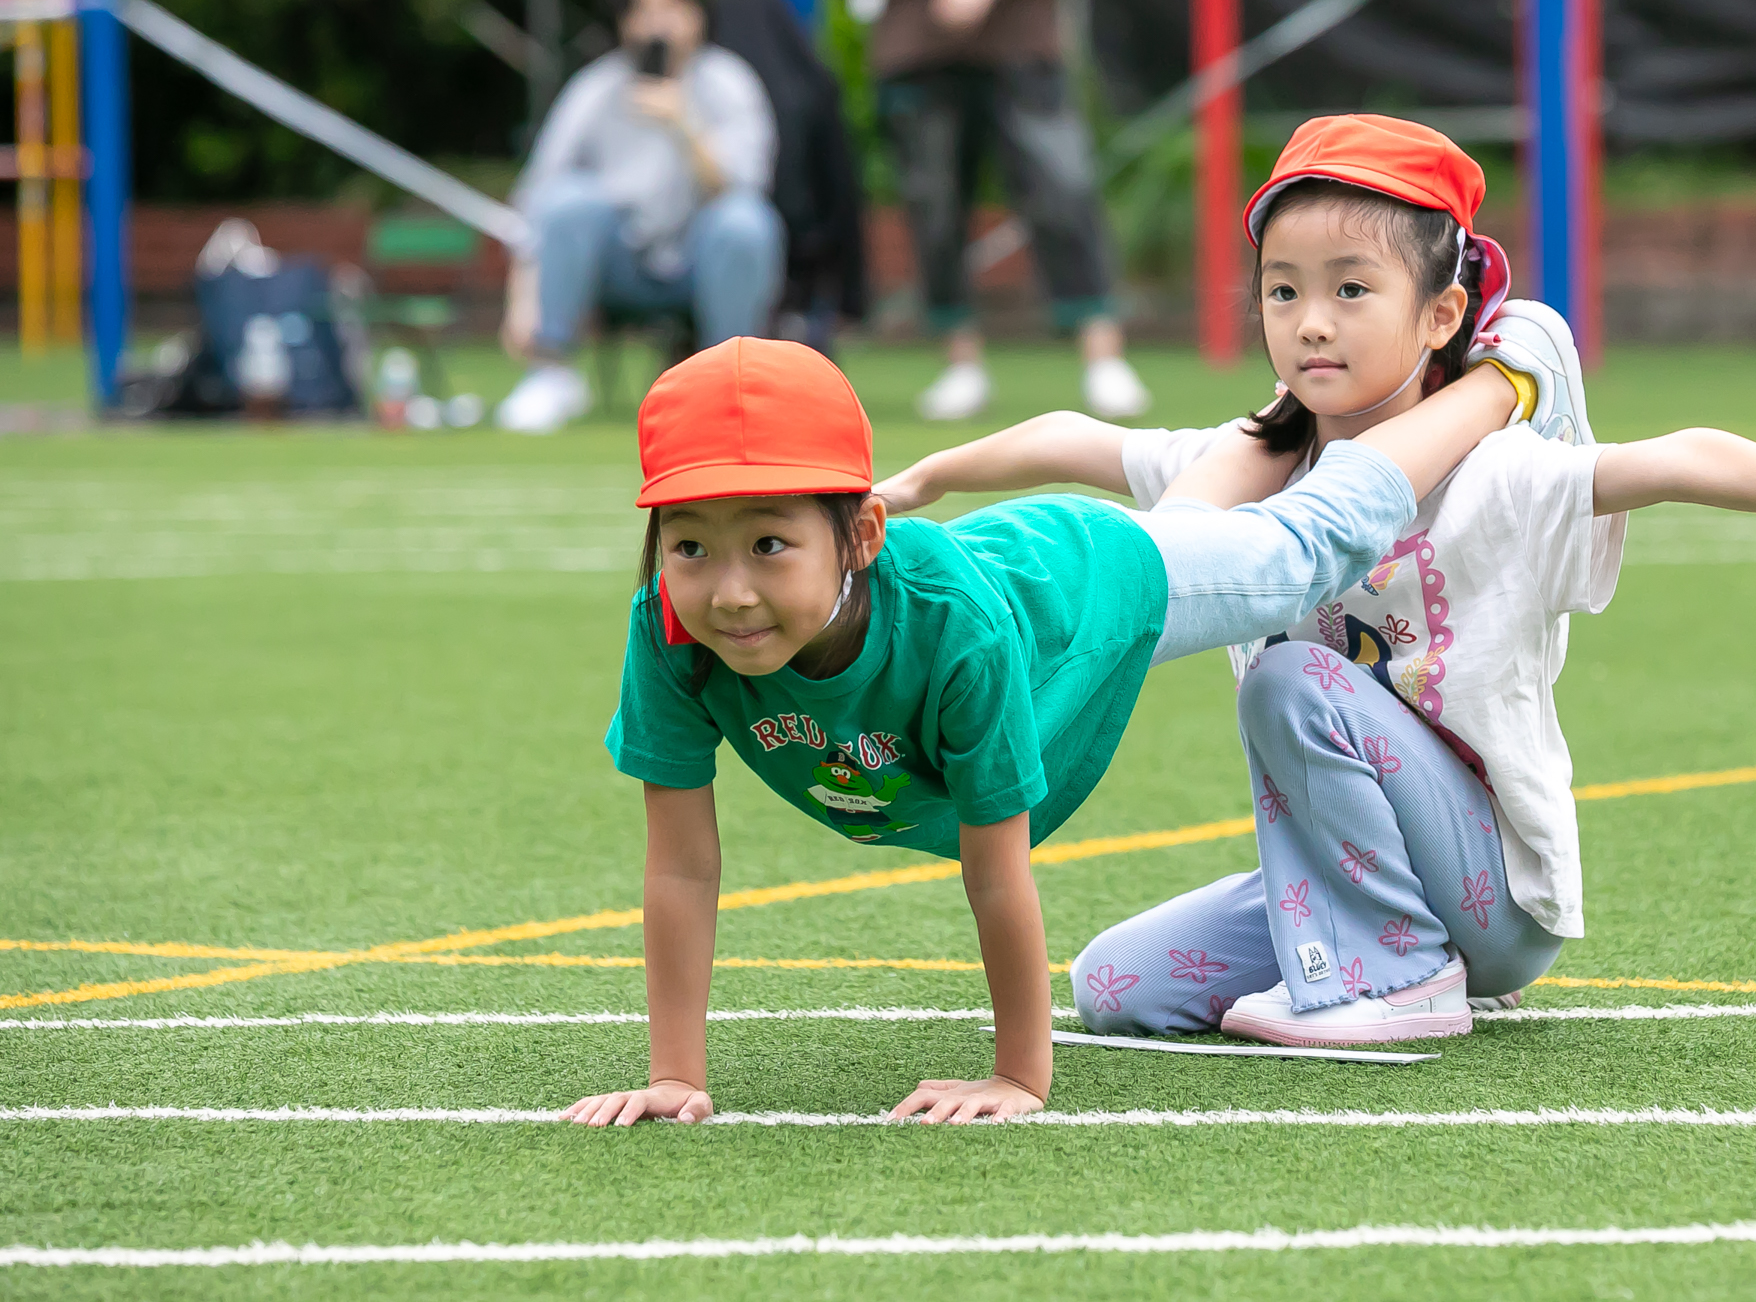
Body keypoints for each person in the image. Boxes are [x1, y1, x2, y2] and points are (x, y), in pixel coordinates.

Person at [876, 114, 1756, 1046]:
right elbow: (1079, 437)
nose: (1310, 324)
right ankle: (1374, 952)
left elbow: (1681, 458)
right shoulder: (1257, 466)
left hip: (1494, 892)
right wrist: (927, 475)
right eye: (1283, 291)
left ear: (1441, 315)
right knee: (1116, 983)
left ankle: (1403, 980)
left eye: (1349, 290)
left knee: (1287, 681)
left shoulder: (1497, 470)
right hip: (1388, 874)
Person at [563, 327, 1533, 1129]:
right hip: (1015, 584)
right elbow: (683, 866)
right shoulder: (671, 629)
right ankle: (1258, 443)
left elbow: (995, 869)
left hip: (1098, 581)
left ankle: (1495, 379)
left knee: (1304, 548)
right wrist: (676, 1076)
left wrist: (1020, 1077)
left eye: (770, 543)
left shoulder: (956, 637)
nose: (728, 592)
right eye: (690, 544)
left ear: (860, 534)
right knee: (1213, 505)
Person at [832, 0, 1151, 423]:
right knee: (933, 205)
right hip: (917, 57)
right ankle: (960, 362)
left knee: (1064, 187)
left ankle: (1102, 354)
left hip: (1023, 47)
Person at [495, 0, 787, 434]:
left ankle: (730, 388)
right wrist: (522, 299)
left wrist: (683, 122)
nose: (659, 23)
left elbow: (744, 189)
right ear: (623, 22)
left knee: (745, 222)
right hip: (621, 265)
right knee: (570, 200)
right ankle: (551, 373)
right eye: (643, 10)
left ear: (697, 14)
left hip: (702, 260)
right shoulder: (596, 86)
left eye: (672, 7)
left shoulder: (730, 80)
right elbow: (536, 199)